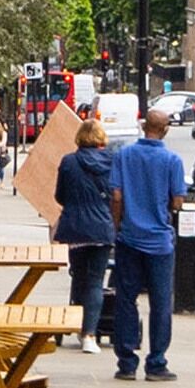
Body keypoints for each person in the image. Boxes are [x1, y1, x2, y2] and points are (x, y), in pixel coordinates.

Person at [103, 112, 185, 380]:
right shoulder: (173, 160)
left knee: (126, 300)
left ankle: (126, 363)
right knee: (161, 303)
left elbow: (116, 196)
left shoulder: (124, 156)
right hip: (159, 242)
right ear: (165, 129)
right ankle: (156, 362)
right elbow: (177, 202)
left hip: (129, 238)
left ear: (143, 126)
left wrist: (117, 226)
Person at [52, 116, 119, 355]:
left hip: (75, 229)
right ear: (102, 139)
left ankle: (76, 322)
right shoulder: (112, 162)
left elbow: (59, 196)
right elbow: (116, 195)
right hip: (101, 228)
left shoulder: (69, 162)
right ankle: (89, 334)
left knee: (78, 276)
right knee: (95, 280)